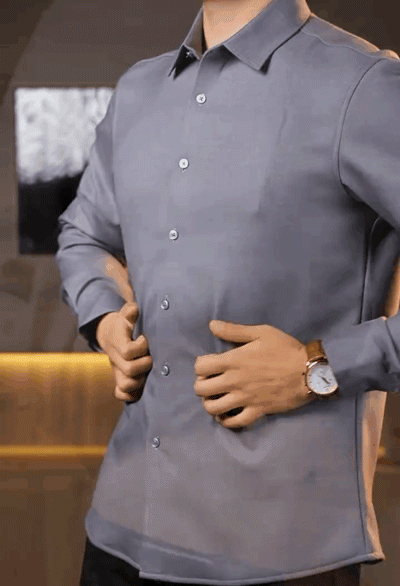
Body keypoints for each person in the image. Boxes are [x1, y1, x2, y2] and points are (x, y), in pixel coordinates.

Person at [55, 0, 400, 584]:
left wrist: (317, 367)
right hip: (121, 531)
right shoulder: (138, 90)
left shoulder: (363, 86)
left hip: (278, 551)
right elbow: (83, 234)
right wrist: (106, 315)